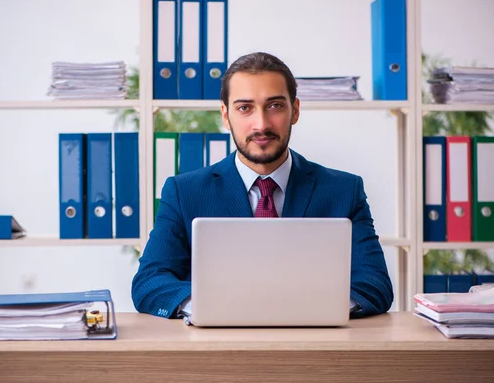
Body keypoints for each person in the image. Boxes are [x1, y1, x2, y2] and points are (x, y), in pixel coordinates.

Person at [131, 52, 393, 319]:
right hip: (215, 350)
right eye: (245, 108)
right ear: (226, 115)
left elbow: (375, 285)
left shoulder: (344, 190)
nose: (261, 124)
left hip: (316, 348)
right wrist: (212, 307)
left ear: (296, 110)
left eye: (275, 106)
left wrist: (312, 308)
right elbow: (150, 282)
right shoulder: (185, 192)